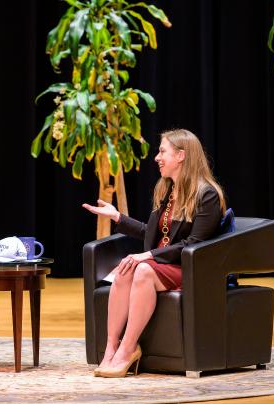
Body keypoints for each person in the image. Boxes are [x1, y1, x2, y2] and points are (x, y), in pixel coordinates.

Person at [82, 129, 225, 378]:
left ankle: (129, 349)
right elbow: (154, 233)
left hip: (189, 268)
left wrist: (147, 256)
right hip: (162, 264)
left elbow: (194, 244)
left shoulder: (206, 194)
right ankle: (111, 347)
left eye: (162, 151)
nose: (157, 158)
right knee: (127, 268)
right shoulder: (167, 190)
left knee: (143, 269)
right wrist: (117, 217)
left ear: (181, 156)